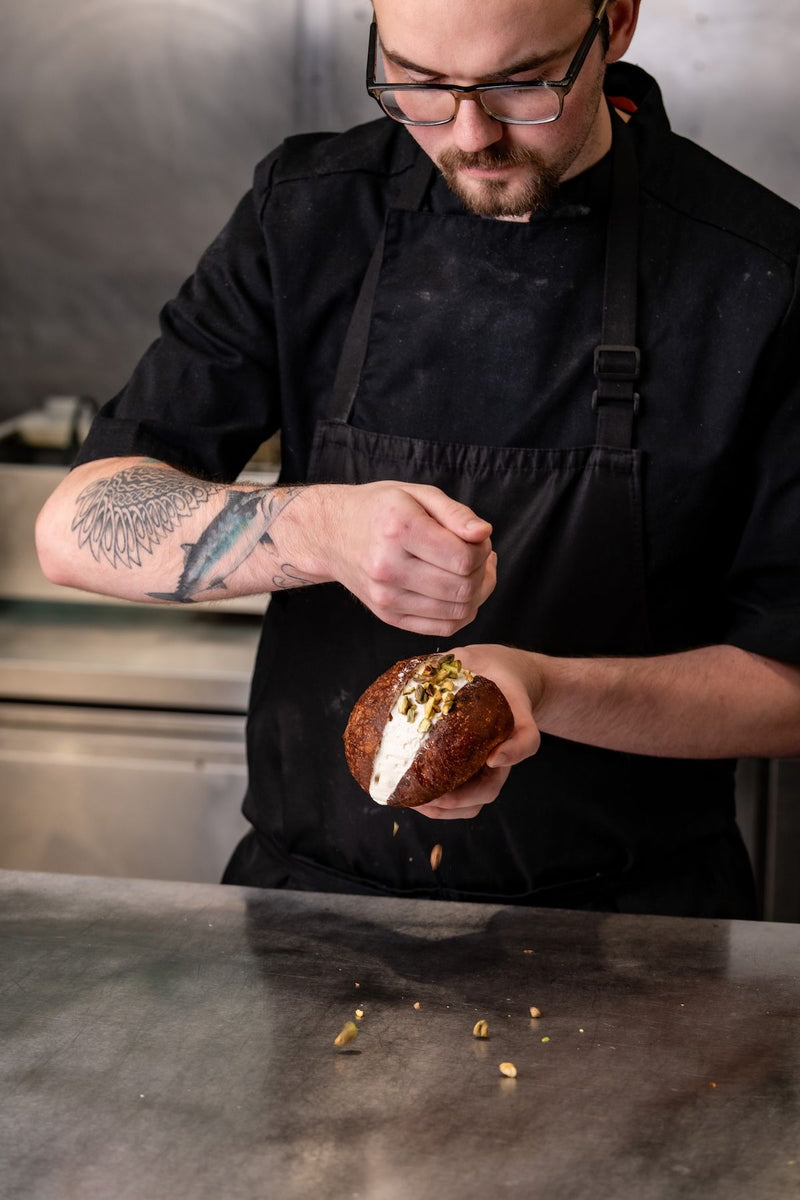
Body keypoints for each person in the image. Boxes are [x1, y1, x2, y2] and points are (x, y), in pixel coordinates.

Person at [35, 0, 800, 917]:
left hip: (639, 932)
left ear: (619, 22)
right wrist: (317, 527)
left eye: (523, 82)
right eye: (419, 84)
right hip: (307, 917)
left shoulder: (756, 272)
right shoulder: (309, 213)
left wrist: (546, 689)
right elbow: (75, 525)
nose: (470, 134)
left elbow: (789, 688)